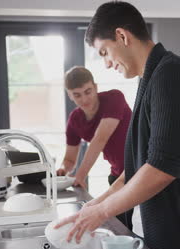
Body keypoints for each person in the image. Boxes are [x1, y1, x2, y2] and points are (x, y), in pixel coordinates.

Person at [55, 2, 180, 249]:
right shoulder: (152, 78)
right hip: (162, 234)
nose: (107, 64)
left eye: (104, 52)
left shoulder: (171, 74)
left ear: (122, 36)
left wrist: (101, 213)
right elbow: (138, 166)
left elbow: (162, 167)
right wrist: (94, 206)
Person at [57, 66, 134, 230]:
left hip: (140, 169)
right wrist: (63, 170)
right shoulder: (74, 120)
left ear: (96, 87)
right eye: (77, 94)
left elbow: (99, 140)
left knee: (147, 225)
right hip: (117, 176)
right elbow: (69, 159)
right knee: (120, 227)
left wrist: (81, 175)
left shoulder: (114, 98)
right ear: (69, 95)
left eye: (88, 91)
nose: (84, 99)